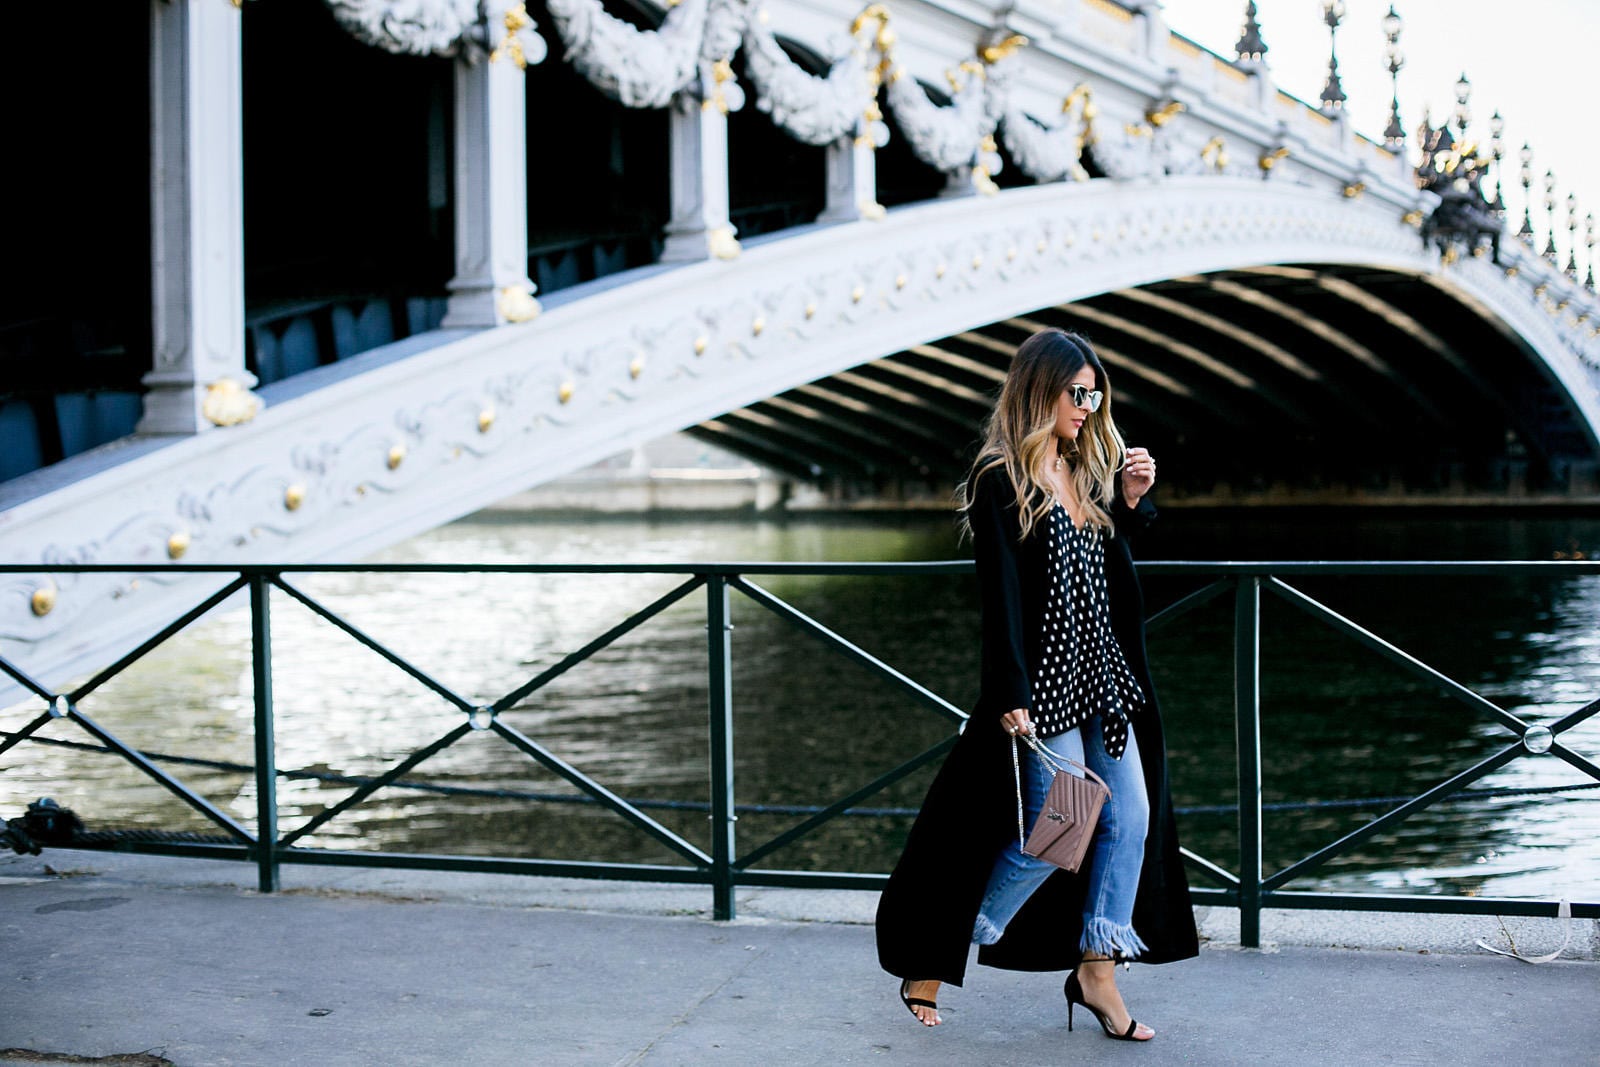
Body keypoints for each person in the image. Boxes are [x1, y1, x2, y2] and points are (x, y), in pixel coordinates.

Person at [875, 327, 1198, 1040]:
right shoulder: (1002, 476)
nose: (1088, 405)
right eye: (1076, 392)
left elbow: (1102, 574)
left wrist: (1134, 503)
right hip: (1043, 685)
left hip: (1104, 680)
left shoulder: (1087, 474)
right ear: (1039, 390)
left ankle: (1096, 972)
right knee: (1064, 824)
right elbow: (1002, 598)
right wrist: (1009, 692)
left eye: (1095, 393)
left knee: (1131, 819)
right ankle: (949, 943)